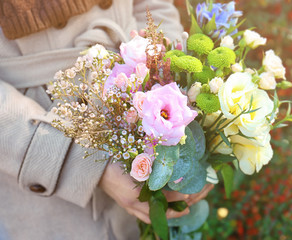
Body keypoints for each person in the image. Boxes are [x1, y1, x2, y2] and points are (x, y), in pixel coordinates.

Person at [0, 0, 213, 239]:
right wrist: (84, 166)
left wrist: (163, 75)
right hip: (35, 135)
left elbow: (153, 6)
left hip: (138, 87)